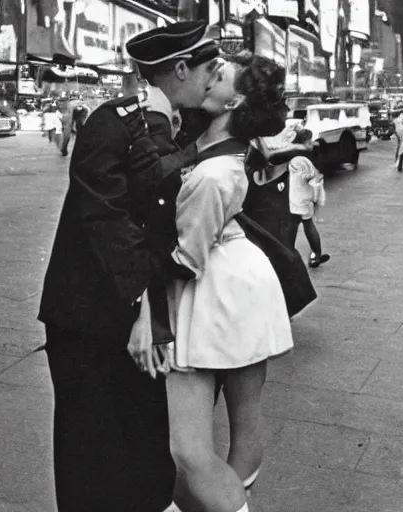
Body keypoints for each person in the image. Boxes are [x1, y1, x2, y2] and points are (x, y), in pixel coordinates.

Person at [37, 21, 218, 512]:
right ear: (180, 69)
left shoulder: (187, 126)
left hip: (139, 316)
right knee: (89, 449)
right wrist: (142, 305)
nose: (214, 75)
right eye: (209, 67)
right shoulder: (112, 122)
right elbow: (107, 220)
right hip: (89, 318)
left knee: (142, 443)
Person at [130, 52, 294, 512]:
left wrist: (146, 301)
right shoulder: (210, 142)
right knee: (240, 426)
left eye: (218, 74)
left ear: (234, 100)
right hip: (237, 278)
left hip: (213, 286)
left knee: (188, 447)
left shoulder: (214, 173)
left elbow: (184, 260)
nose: (208, 73)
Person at [282, 128, 330, 268]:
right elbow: (313, 177)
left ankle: (289, 255)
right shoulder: (306, 155)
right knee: (306, 225)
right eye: (309, 139)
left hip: (296, 196)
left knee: (293, 225)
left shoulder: (295, 155)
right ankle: (316, 255)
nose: (312, 142)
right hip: (306, 196)